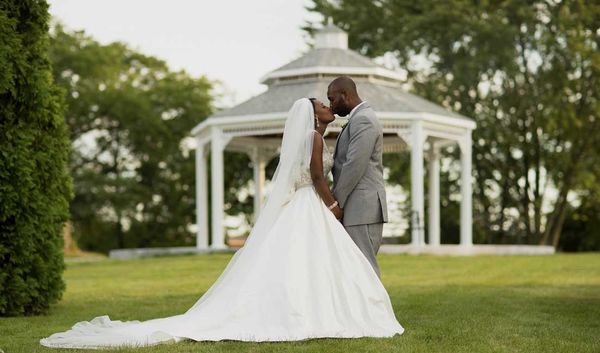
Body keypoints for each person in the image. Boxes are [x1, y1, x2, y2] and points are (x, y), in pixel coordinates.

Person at [40, 98, 404, 349]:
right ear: (312, 116)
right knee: (306, 263)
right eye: (321, 104)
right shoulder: (312, 138)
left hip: (308, 207)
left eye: (327, 101)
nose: (327, 106)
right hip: (312, 205)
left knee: (311, 264)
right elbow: (315, 176)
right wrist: (333, 204)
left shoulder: (317, 136)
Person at [328, 76, 388, 277]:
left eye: (332, 99)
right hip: (357, 208)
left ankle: (376, 310)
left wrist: (335, 203)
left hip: (362, 208)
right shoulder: (357, 119)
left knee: (365, 270)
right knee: (354, 271)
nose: (331, 106)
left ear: (345, 95)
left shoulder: (363, 120)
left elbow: (354, 165)